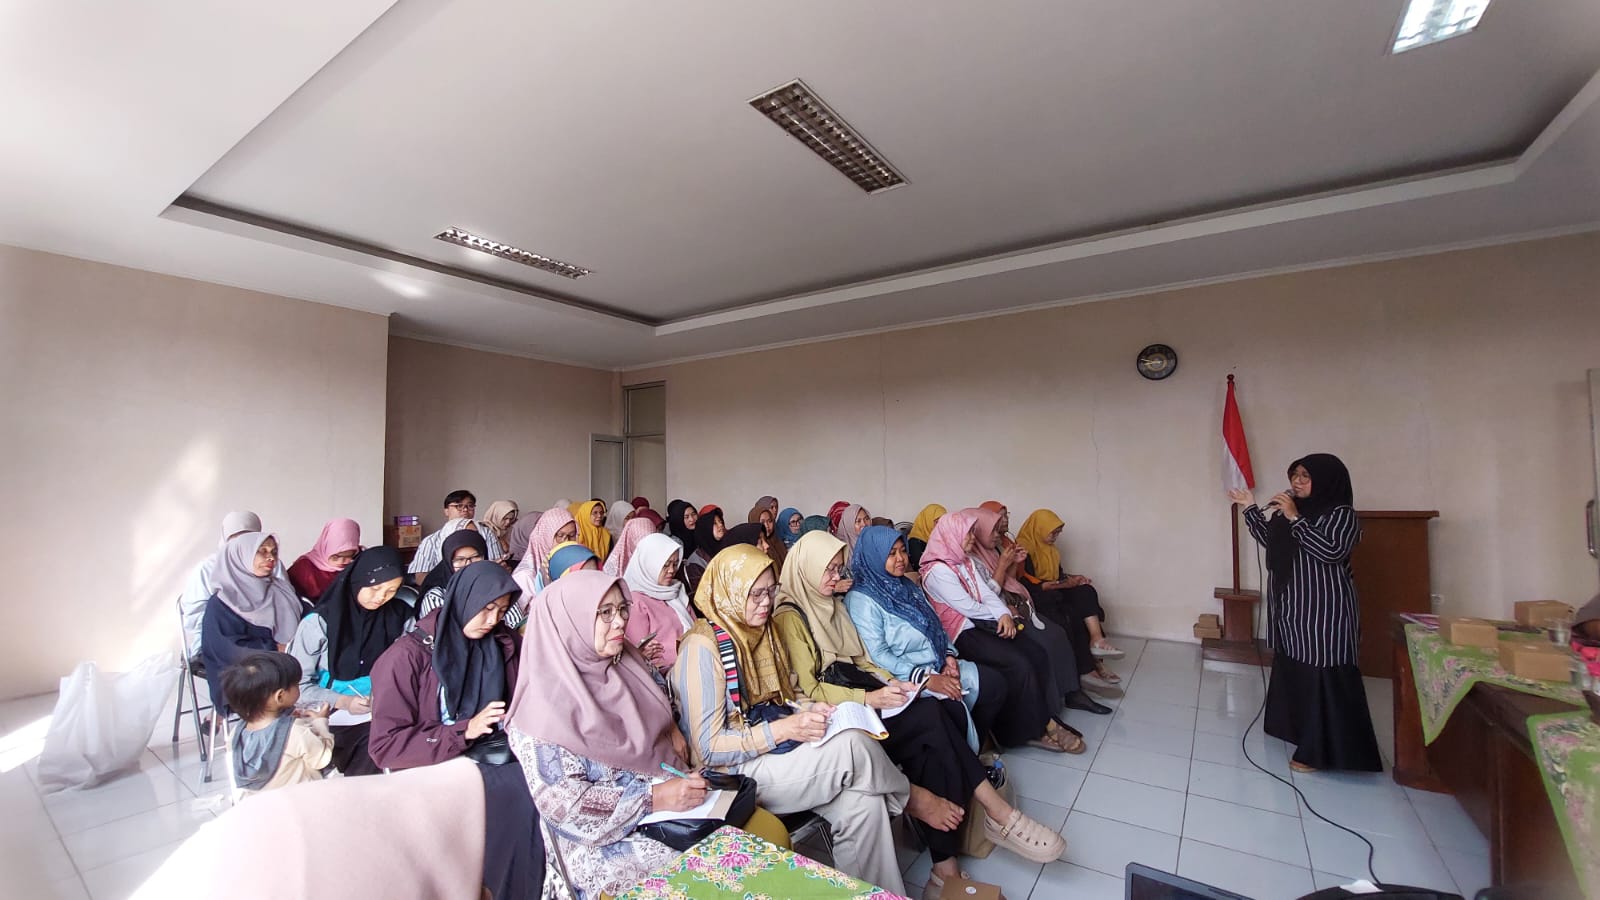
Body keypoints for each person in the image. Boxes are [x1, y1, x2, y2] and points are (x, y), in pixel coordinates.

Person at [775, 531, 1065, 892]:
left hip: (864, 696)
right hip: (837, 715)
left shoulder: (830, 602)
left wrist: (893, 685)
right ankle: (995, 815)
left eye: (838, 568)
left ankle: (946, 866)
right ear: (806, 568)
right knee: (932, 720)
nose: (837, 577)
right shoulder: (792, 616)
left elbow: (864, 661)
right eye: (829, 570)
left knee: (939, 722)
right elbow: (812, 688)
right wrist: (874, 696)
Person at [505, 570, 787, 900]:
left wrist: (671, 734)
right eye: (604, 612)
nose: (620, 622)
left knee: (761, 830)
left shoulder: (626, 659)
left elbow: (663, 703)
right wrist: (652, 798)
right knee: (722, 860)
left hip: (672, 792)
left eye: (621, 609)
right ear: (570, 622)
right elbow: (568, 808)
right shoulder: (540, 714)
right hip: (601, 837)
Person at [672, 544, 912, 896]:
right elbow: (708, 749)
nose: (766, 602)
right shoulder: (701, 648)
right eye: (755, 594)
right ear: (730, 591)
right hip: (736, 772)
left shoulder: (763, 630)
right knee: (852, 745)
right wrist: (784, 728)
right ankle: (913, 798)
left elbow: (788, 695)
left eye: (771, 591)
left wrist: (807, 710)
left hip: (778, 747)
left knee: (866, 804)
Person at [1232, 452, 1382, 773]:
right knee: (1294, 664)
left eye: (1305, 476)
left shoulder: (1340, 514)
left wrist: (1295, 518)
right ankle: (1293, 729)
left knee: (1320, 671)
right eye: (1294, 475)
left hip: (1324, 611)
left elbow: (1331, 551)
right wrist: (1250, 508)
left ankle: (1321, 751)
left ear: (1325, 480)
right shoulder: (1294, 512)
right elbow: (1273, 542)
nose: (1297, 482)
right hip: (1292, 606)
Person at [920, 510, 1085, 753]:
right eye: (967, 534)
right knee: (1018, 663)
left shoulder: (963, 560)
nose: (972, 539)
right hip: (962, 633)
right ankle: (1034, 729)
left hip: (982, 623)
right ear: (952, 536)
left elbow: (987, 593)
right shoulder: (937, 571)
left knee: (1035, 652)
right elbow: (969, 607)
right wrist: (1001, 615)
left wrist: (1004, 615)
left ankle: (1044, 719)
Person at [369, 562, 522, 771]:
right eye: (487, 608)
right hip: (433, 765)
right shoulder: (405, 657)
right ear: (465, 600)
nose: (493, 620)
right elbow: (385, 747)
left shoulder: (503, 641)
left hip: (494, 754)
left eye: (502, 611)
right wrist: (465, 731)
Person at [288, 546, 413, 776]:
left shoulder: (401, 617)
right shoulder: (319, 623)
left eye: (391, 591)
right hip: (327, 715)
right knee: (373, 746)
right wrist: (343, 701)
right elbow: (297, 688)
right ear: (357, 581)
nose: (381, 597)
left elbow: (410, 670)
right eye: (375, 588)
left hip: (384, 711)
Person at [971, 506, 1107, 715]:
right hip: (998, 613)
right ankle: (1053, 707)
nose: (999, 533)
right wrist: (1004, 568)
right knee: (1049, 636)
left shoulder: (995, 549)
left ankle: (1074, 690)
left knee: (1060, 629)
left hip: (1014, 601)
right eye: (994, 529)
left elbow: (1012, 581)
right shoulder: (971, 559)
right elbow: (986, 595)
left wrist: (1013, 564)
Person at [1015, 508, 1123, 688]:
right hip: (1036, 596)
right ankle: (1090, 666)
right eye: (1053, 532)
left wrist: (1073, 579)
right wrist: (1064, 584)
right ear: (1040, 528)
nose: (1055, 536)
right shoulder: (1023, 549)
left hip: (1054, 590)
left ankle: (1097, 640)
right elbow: (1029, 584)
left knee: (1086, 591)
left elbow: (1058, 576)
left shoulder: (1051, 551)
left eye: (1058, 532)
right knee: (1071, 613)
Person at [201, 532, 304, 712]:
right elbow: (229, 650)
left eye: (274, 551)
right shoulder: (222, 602)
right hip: (246, 674)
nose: (270, 557)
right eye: (262, 551)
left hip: (291, 662)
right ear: (241, 556)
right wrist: (275, 650)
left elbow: (306, 622)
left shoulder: (281, 589)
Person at [222, 651, 334, 799]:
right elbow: (321, 759)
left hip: (261, 807)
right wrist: (320, 723)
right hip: (301, 805)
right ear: (280, 696)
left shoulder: (236, 733)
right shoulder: (296, 732)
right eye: (296, 684)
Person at [181, 510, 272, 657]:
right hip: (218, 641)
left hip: (266, 640)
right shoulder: (208, 569)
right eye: (236, 538)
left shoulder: (270, 564)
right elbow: (194, 617)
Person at [620, 533, 695, 672]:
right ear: (649, 564)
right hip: (668, 673)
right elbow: (641, 653)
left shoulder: (676, 590)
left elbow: (696, 627)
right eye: (665, 565)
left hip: (695, 659)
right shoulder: (636, 602)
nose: (671, 570)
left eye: (675, 564)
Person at [410, 491, 501, 583]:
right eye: (459, 506)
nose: (465, 509)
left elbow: (498, 565)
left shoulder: (487, 533)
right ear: (446, 511)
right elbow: (420, 578)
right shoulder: (430, 541)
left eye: (470, 506)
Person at [510, 506, 578, 607]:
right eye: (560, 536)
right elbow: (516, 616)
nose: (566, 541)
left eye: (572, 535)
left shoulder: (572, 566)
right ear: (546, 536)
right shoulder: (525, 576)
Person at [286, 518, 361, 605]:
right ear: (325, 547)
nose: (342, 561)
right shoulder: (303, 569)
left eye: (348, 556)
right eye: (335, 556)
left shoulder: (358, 564)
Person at [680, 505, 727, 598]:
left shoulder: (727, 548)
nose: (721, 525)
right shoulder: (695, 562)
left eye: (721, 522)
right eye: (715, 523)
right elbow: (701, 595)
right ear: (706, 528)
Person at [905, 504, 946, 575]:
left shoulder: (940, 539)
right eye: (937, 522)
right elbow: (919, 567)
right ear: (927, 521)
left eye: (942, 522)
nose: (940, 525)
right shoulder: (914, 542)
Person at [748, 502, 786, 570]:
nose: (767, 526)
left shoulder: (778, 542)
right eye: (762, 522)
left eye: (769, 521)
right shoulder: (754, 546)